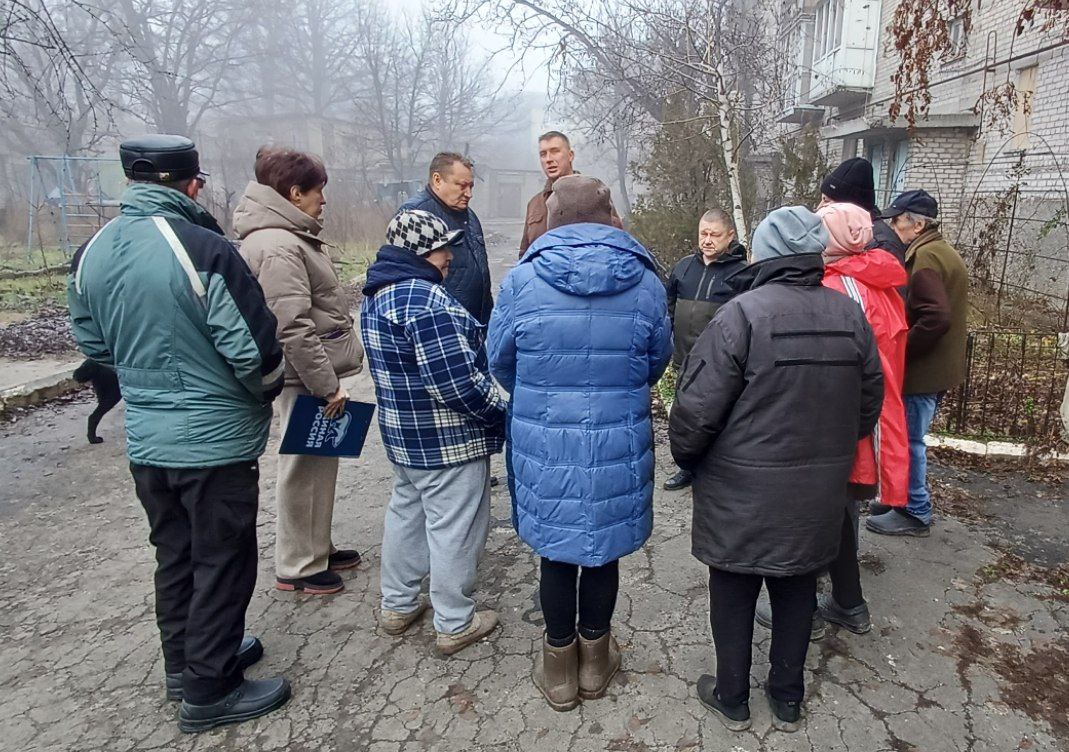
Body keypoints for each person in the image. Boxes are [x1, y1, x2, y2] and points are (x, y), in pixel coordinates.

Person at [67, 135, 290, 733]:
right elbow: (256, 352)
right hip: (212, 440)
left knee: (175, 553)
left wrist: (146, 382)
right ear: (191, 185)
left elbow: (92, 344)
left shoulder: (92, 251)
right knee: (223, 558)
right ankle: (210, 689)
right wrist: (261, 393)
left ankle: (185, 665)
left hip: (146, 437)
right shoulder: (203, 248)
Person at [669, 206, 883, 734]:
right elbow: (870, 400)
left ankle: (732, 695)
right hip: (817, 487)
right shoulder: (849, 316)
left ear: (764, 253)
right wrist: (830, 448)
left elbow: (696, 412)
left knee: (734, 586)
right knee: (797, 586)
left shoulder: (741, 315)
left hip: (739, 488)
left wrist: (689, 460)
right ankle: (787, 698)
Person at [488, 175, 672, 712]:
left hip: (546, 441)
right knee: (603, 551)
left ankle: (560, 671)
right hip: (617, 435)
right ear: (610, 216)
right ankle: (596, 661)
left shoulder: (522, 282)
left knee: (556, 551)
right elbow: (656, 360)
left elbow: (500, 360)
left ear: (553, 220)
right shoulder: (645, 283)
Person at [756, 202, 909, 639]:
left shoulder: (840, 289)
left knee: (815, 513)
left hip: (838, 420)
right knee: (840, 513)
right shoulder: (878, 280)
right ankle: (849, 602)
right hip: (868, 416)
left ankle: (807, 610)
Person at [361, 208, 507, 656]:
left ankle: (398, 605)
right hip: (448, 444)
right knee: (454, 529)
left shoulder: (377, 297)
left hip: (403, 440)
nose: (449, 257)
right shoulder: (424, 301)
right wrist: (503, 413)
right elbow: (458, 384)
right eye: (442, 248)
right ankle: (454, 622)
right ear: (422, 253)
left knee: (406, 515)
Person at [234, 147, 365, 595]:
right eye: (317, 192)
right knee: (301, 467)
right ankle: (297, 564)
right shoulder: (278, 246)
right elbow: (292, 325)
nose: (323, 201)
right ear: (294, 193)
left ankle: (316, 547)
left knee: (317, 465)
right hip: (303, 377)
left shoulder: (285, 238)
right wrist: (327, 386)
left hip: (308, 375)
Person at [867, 190, 968, 537]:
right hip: (935, 369)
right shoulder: (939, 251)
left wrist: (900, 348)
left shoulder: (925, 259)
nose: (893, 227)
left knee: (909, 440)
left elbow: (935, 318)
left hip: (922, 373)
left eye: (898, 221)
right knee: (910, 437)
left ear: (917, 223)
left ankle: (915, 511)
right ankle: (900, 499)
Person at [663, 208, 748, 491]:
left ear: (730, 236)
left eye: (715, 234)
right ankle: (686, 467)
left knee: (718, 419)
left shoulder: (742, 274)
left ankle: (719, 472)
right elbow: (669, 307)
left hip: (719, 365)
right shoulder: (683, 267)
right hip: (682, 361)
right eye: (703, 234)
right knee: (684, 419)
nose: (707, 240)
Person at [399, 153, 492, 325]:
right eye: (462, 186)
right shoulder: (415, 216)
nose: (469, 194)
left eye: (471, 186)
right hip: (441, 326)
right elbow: (405, 284)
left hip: (476, 325)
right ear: (437, 180)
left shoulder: (469, 216)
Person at [519, 131, 623, 257]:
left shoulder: (595, 194)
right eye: (543, 154)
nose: (548, 159)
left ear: (570, 155)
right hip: (544, 274)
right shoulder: (534, 204)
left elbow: (618, 242)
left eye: (555, 151)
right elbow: (524, 253)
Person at [819, 156, 908, 265]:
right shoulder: (846, 231)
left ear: (849, 206)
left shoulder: (882, 245)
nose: (820, 207)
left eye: (826, 201)